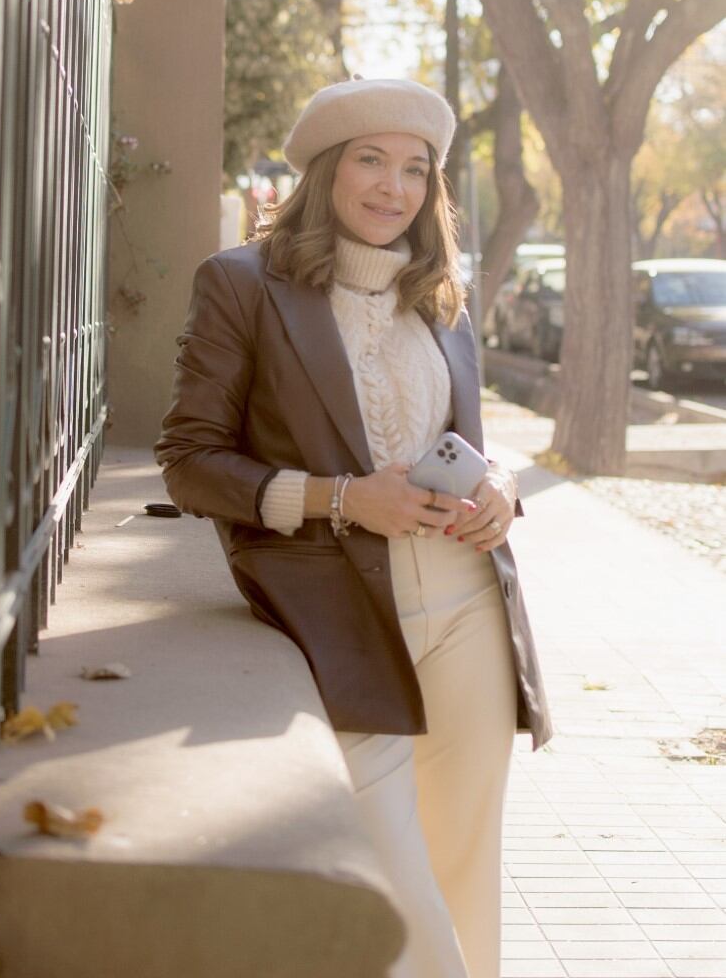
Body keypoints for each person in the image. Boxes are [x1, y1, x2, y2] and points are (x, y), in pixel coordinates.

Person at [156, 77, 552, 978]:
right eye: (370, 160)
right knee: (392, 874)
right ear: (326, 171)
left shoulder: (441, 295)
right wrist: (338, 498)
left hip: (466, 608)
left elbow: (464, 448)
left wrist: (499, 486)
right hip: (334, 613)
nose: (393, 187)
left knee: (461, 862)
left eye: (415, 169)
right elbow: (188, 460)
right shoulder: (242, 284)